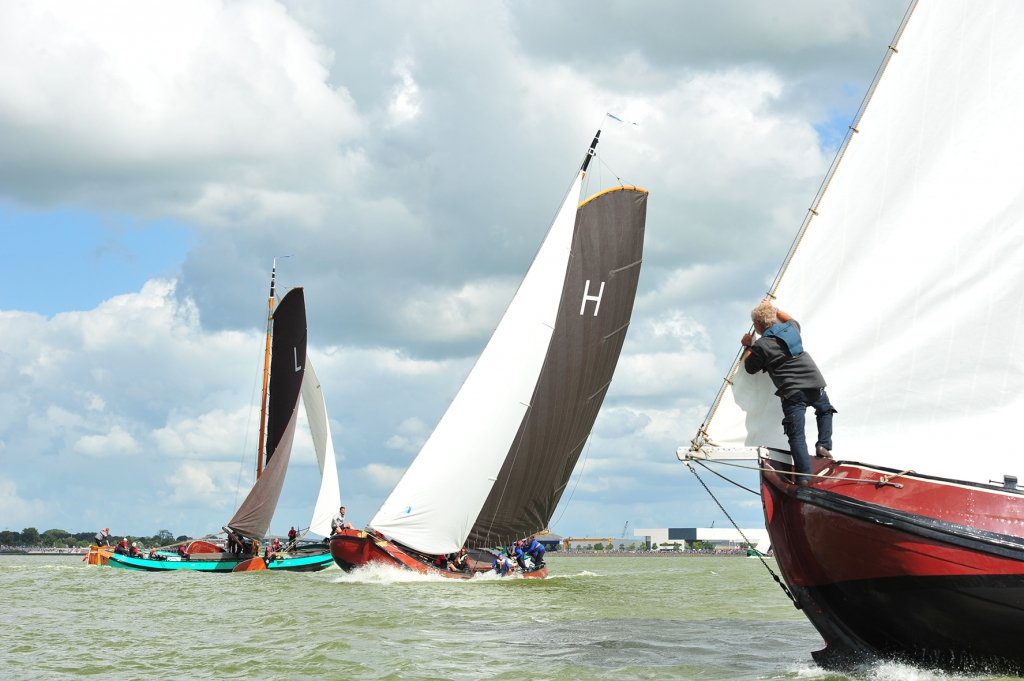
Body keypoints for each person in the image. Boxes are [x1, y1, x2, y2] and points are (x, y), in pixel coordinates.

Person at [743, 299, 836, 485]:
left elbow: (749, 367)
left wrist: (748, 345)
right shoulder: (792, 329)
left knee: (796, 435)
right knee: (825, 410)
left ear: (758, 325)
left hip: (792, 392)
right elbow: (788, 317)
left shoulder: (761, 346)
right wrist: (772, 308)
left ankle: (805, 477)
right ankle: (823, 444)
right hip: (814, 382)